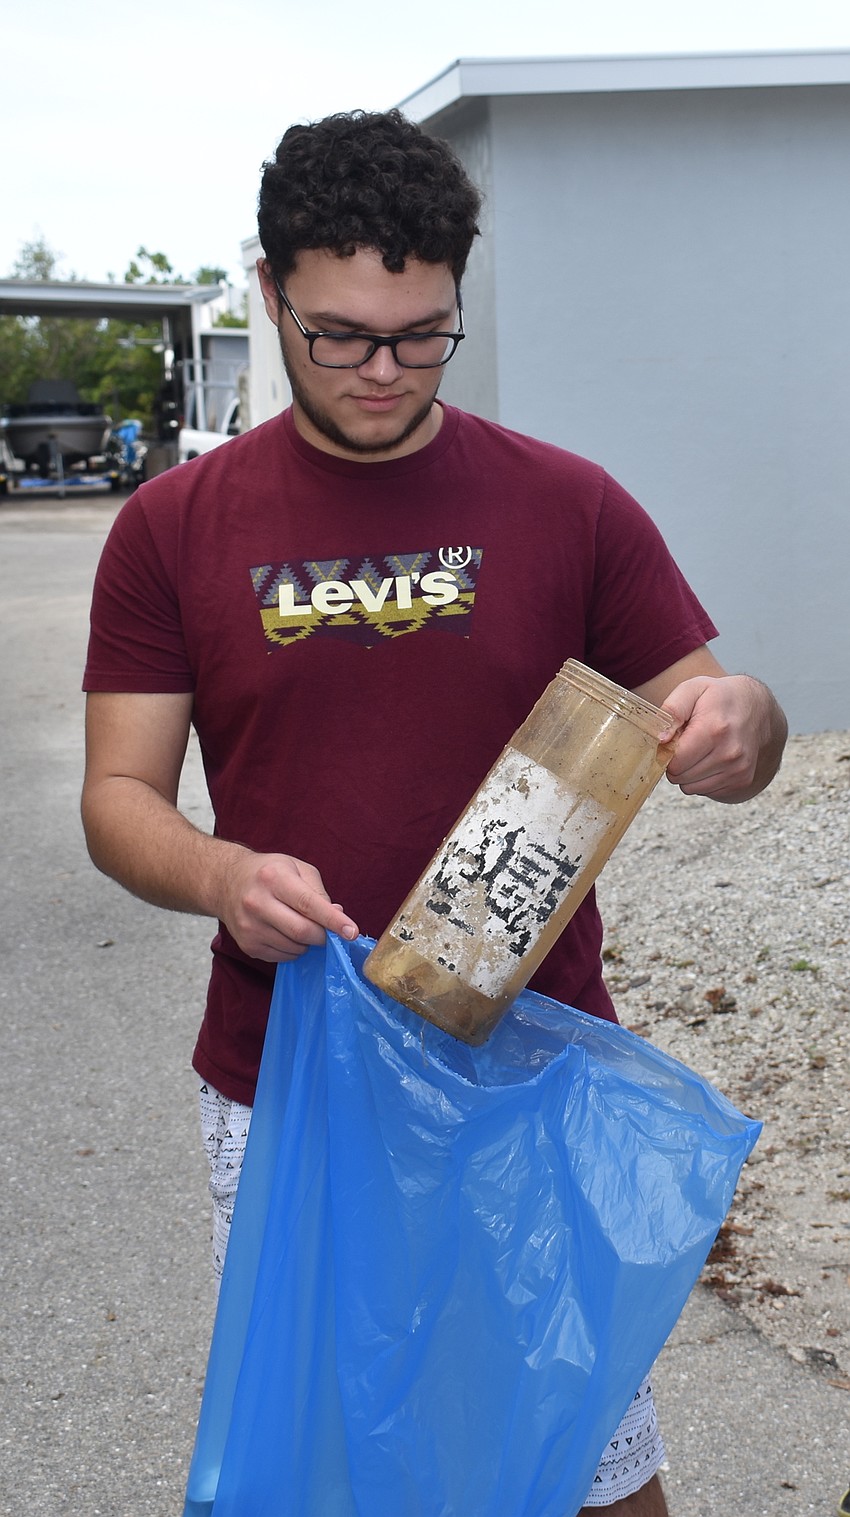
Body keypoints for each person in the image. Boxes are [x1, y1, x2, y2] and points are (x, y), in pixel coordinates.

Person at [81, 108, 788, 1516]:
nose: (384, 368)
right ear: (270, 291)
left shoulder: (567, 507)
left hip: (530, 1070)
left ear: (459, 300)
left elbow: (720, 711)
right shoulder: (174, 526)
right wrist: (222, 875)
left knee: (590, 1447)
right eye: (341, 333)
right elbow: (115, 798)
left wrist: (743, 726)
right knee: (336, 1454)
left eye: (421, 332)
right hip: (288, 1079)